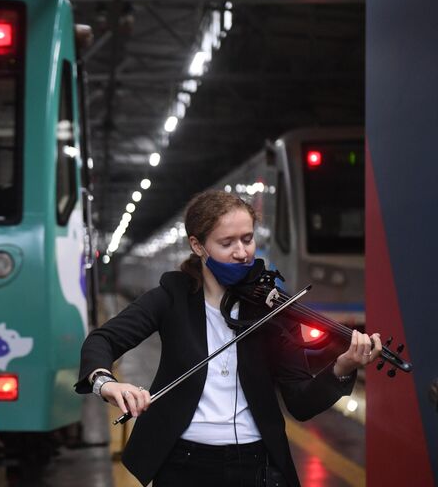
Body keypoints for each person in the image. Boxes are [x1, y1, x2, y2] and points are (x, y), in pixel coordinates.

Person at [74, 190, 381, 487]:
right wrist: (107, 383)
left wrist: (342, 366)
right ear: (198, 246)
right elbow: (103, 340)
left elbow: (300, 403)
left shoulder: (268, 307)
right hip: (184, 464)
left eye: (247, 239)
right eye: (227, 243)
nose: (242, 252)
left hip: (257, 463)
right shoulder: (172, 297)